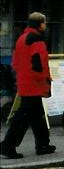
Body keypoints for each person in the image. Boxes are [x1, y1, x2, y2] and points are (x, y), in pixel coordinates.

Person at [0, 12, 56, 158]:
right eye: (44, 23)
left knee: (37, 115)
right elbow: (39, 64)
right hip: (34, 84)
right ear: (40, 24)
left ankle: (43, 144)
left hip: (24, 82)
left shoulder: (22, 38)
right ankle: (8, 145)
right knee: (23, 116)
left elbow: (15, 62)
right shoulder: (37, 40)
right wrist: (45, 81)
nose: (45, 25)